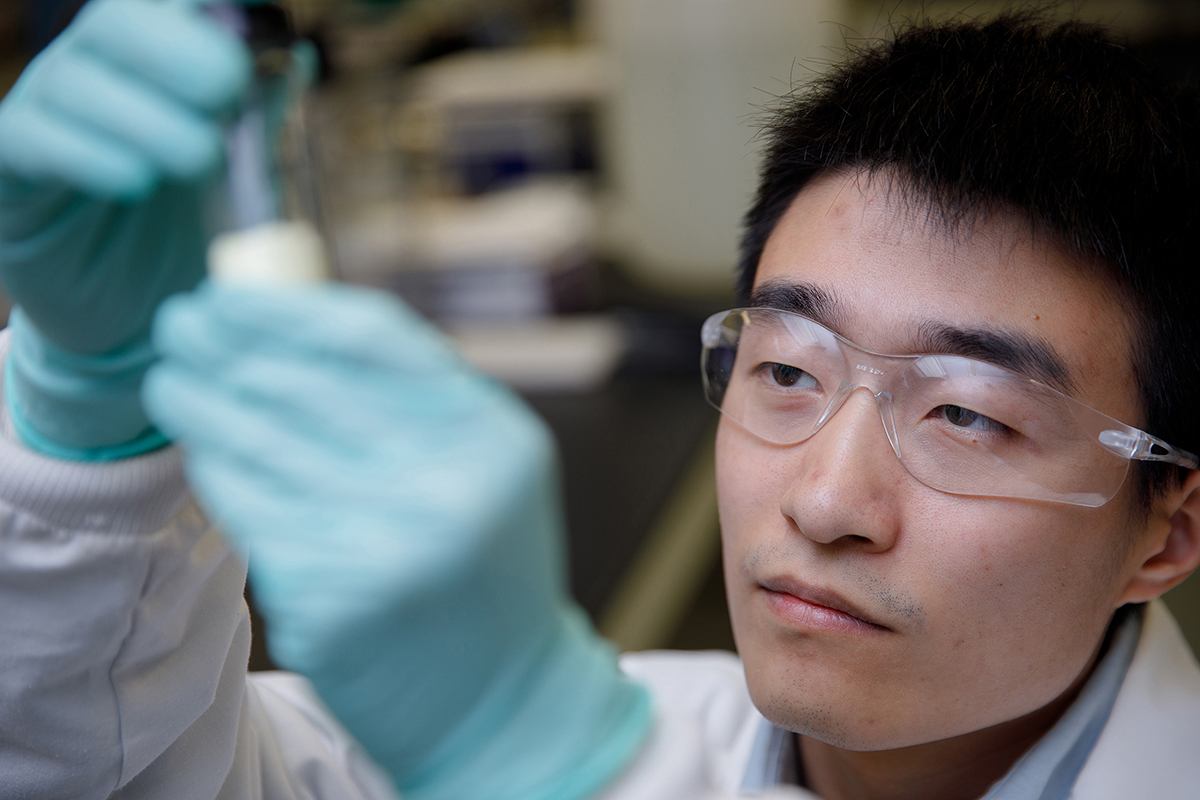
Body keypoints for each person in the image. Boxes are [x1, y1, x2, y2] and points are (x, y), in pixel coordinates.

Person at [0, 3, 1198, 800]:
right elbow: (124, 766)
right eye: (788, 370)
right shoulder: (626, 724)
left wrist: (549, 762)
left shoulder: (545, 733)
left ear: (1167, 526)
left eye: (967, 415)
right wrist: (88, 423)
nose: (828, 500)